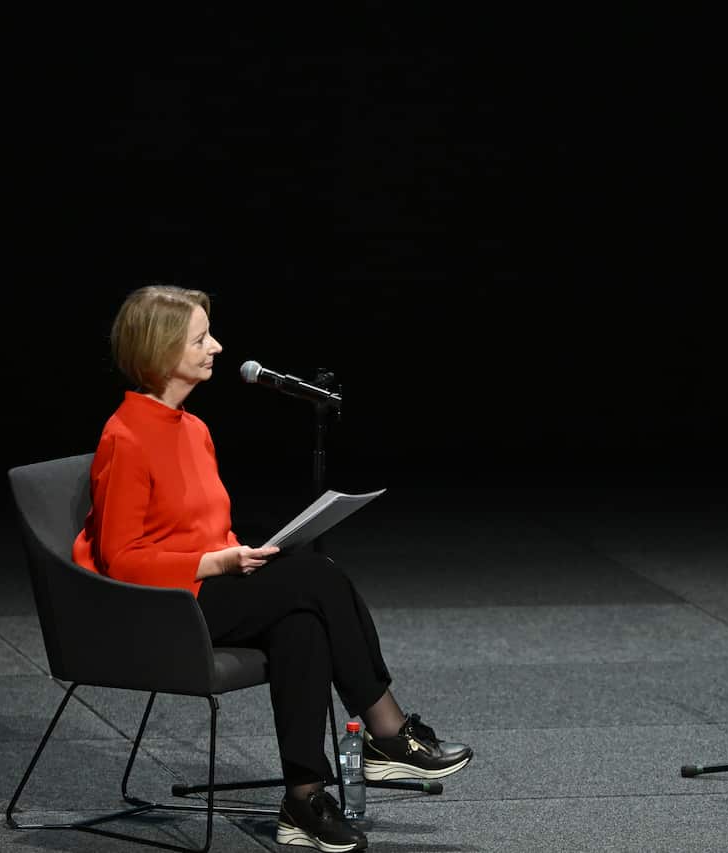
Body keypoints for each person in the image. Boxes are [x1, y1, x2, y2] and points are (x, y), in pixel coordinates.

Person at [73, 284, 472, 853]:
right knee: (317, 577)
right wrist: (219, 560)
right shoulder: (126, 436)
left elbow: (203, 528)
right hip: (161, 609)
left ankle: (304, 800)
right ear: (161, 351)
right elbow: (123, 559)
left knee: (302, 624)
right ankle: (386, 730)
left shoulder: (194, 430)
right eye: (200, 337)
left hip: (207, 586)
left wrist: (242, 555)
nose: (216, 345)